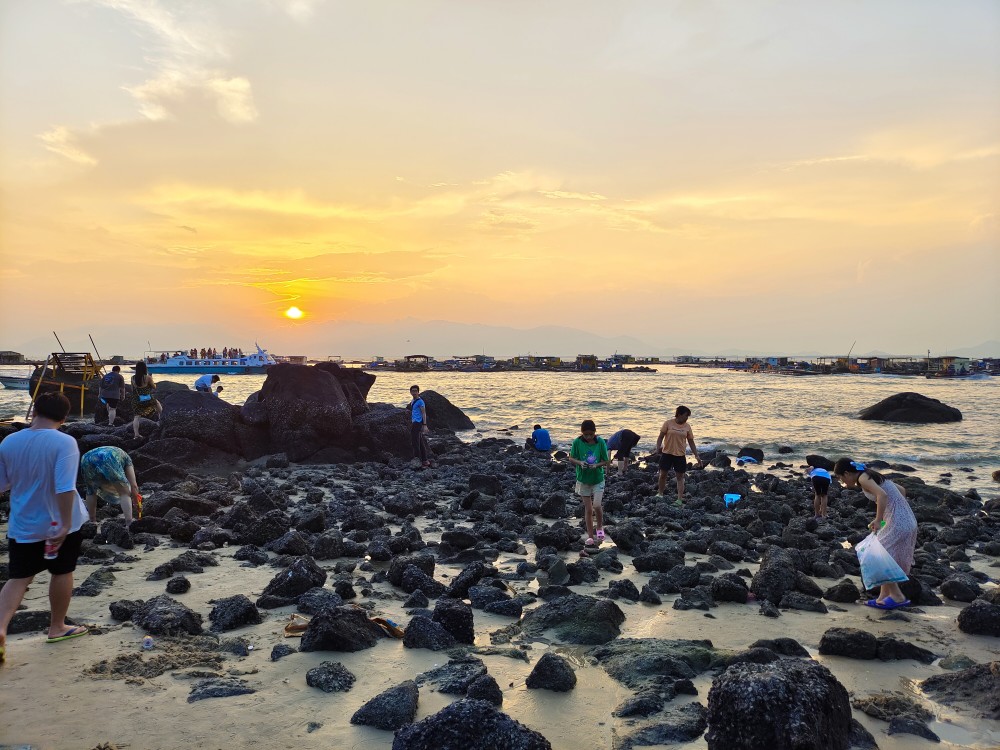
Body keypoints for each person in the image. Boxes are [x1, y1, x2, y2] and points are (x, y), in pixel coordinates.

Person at [0, 391, 91, 662]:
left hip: (25, 521)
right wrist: (63, 524)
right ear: (64, 417)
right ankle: (57, 627)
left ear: (34, 410)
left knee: (19, 578)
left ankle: (0, 627)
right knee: (62, 571)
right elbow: (65, 487)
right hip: (61, 522)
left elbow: (2, 485)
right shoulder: (65, 442)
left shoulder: (9, 442)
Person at [834, 458, 918, 610]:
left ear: (847, 473)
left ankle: (897, 596)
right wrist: (894, 512)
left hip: (899, 523)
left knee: (878, 556)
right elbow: (901, 491)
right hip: (907, 520)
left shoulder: (863, 478)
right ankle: (883, 597)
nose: (843, 482)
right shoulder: (871, 475)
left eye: (841, 478)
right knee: (886, 555)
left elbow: (882, 495)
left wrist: (879, 520)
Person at [568, 419, 610, 546]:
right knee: (588, 509)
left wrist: (596, 465)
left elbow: (606, 461)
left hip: (598, 479)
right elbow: (571, 457)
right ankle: (591, 536)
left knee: (597, 505)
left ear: (594, 432)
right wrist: (580, 462)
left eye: (590, 434)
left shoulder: (600, 442)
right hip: (583, 479)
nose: (588, 437)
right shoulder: (577, 442)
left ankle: (600, 527)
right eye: (585, 434)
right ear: (582, 433)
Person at [653, 406, 703, 505]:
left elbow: (691, 442)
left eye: (688, 416)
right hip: (667, 453)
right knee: (663, 475)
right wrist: (658, 447)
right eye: (686, 416)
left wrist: (696, 456)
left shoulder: (687, 426)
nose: (687, 418)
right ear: (679, 414)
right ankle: (660, 493)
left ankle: (679, 499)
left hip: (680, 455)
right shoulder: (668, 423)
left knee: (680, 477)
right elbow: (660, 437)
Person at [80, 446, 140, 526]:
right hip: (109, 457)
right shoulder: (128, 460)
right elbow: (134, 485)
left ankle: (92, 521)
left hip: (86, 458)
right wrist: (136, 502)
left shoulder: (120, 454)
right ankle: (129, 523)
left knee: (91, 490)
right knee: (124, 493)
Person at [130, 361, 162, 439]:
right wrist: (152, 379)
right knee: (158, 405)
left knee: (136, 417)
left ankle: (136, 434)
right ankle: (161, 421)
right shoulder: (147, 377)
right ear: (145, 368)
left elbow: (132, 389)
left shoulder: (133, 378)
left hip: (137, 400)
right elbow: (154, 387)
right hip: (147, 399)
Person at [408, 385, 432, 468]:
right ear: (410, 392)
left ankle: (417, 460)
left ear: (418, 392)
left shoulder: (420, 401)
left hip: (418, 423)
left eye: (415, 391)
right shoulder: (413, 400)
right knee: (420, 442)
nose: (414, 392)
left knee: (415, 442)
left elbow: (423, 413)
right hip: (415, 422)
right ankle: (425, 460)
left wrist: (424, 425)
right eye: (412, 391)